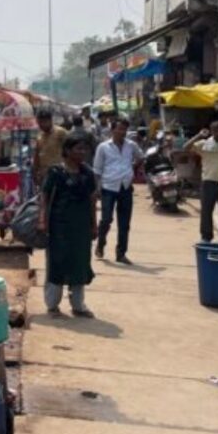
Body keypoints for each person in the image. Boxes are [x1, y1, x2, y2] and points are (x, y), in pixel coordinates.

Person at [37, 135, 98, 318]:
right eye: (78, 149)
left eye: (84, 149)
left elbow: (92, 200)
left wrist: (94, 225)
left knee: (80, 264)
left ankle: (78, 306)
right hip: (59, 226)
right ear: (67, 151)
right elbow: (45, 198)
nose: (82, 152)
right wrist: (42, 220)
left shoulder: (88, 173)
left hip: (81, 227)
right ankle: (53, 305)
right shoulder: (56, 173)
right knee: (57, 264)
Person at [92, 117, 143, 265]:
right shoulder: (103, 147)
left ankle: (121, 253)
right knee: (106, 219)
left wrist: (132, 168)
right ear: (112, 130)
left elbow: (141, 157)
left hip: (125, 187)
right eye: (119, 129)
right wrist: (97, 188)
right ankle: (101, 243)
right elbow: (97, 169)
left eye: (125, 129)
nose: (122, 132)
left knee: (124, 223)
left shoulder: (131, 145)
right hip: (108, 187)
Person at [33, 108, 68, 193]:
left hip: (60, 174)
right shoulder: (39, 137)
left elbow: (70, 149)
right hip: (44, 176)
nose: (41, 125)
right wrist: (35, 173)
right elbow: (37, 157)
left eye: (43, 122)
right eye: (39, 122)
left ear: (50, 120)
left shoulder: (61, 133)